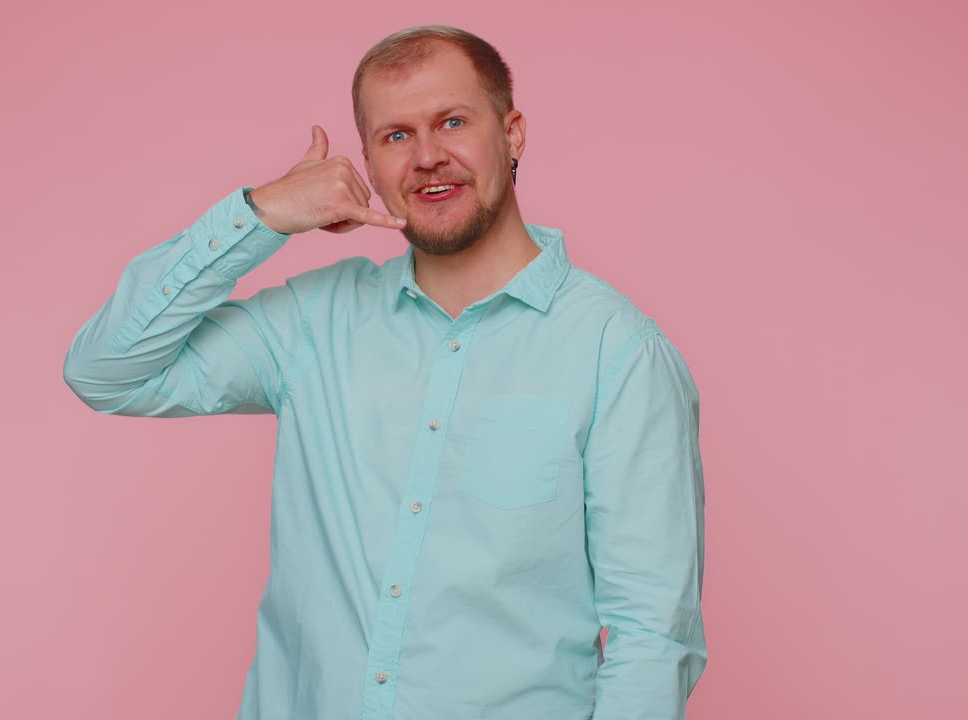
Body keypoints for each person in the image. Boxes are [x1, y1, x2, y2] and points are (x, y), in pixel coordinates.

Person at [63, 24, 707, 720]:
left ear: (513, 132)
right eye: (395, 136)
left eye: (452, 122)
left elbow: (653, 636)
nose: (428, 157)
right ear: (366, 159)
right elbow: (107, 370)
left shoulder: (616, 350)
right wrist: (262, 215)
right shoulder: (315, 322)